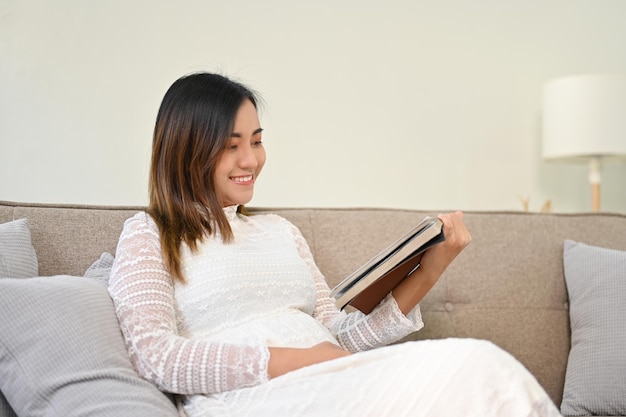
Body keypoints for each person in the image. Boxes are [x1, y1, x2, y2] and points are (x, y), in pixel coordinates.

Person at [108, 72, 562, 417]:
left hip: (332, 379)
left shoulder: (281, 232)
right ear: (186, 149)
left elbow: (341, 340)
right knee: (478, 366)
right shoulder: (149, 233)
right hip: (258, 397)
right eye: (231, 146)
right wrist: (295, 361)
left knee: (483, 372)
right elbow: (155, 355)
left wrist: (430, 268)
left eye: (258, 141)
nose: (251, 160)